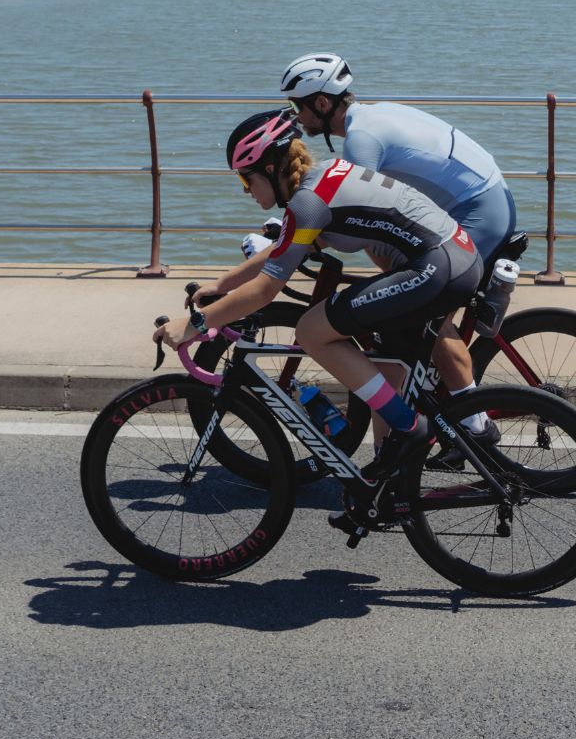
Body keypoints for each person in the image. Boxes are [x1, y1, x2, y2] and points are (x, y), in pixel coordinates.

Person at [154, 110, 483, 519]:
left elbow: (265, 291)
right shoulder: (318, 181)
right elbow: (282, 252)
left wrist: (196, 324)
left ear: (271, 169)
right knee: (384, 366)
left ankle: (411, 429)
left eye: (246, 179)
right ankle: (388, 484)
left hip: (436, 268)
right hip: (453, 258)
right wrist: (222, 285)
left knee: (312, 330)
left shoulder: (309, 202)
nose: (244, 190)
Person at [275, 53, 512, 454]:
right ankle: (429, 405)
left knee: (421, 314)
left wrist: (294, 240)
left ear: (321, 103)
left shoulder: (361, 140)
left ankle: (475, 426)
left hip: (476, 212)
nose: (297, 118)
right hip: (484, 200)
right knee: (389, 258)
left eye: (299, 106)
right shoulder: (369, 116)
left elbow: (346, 208)